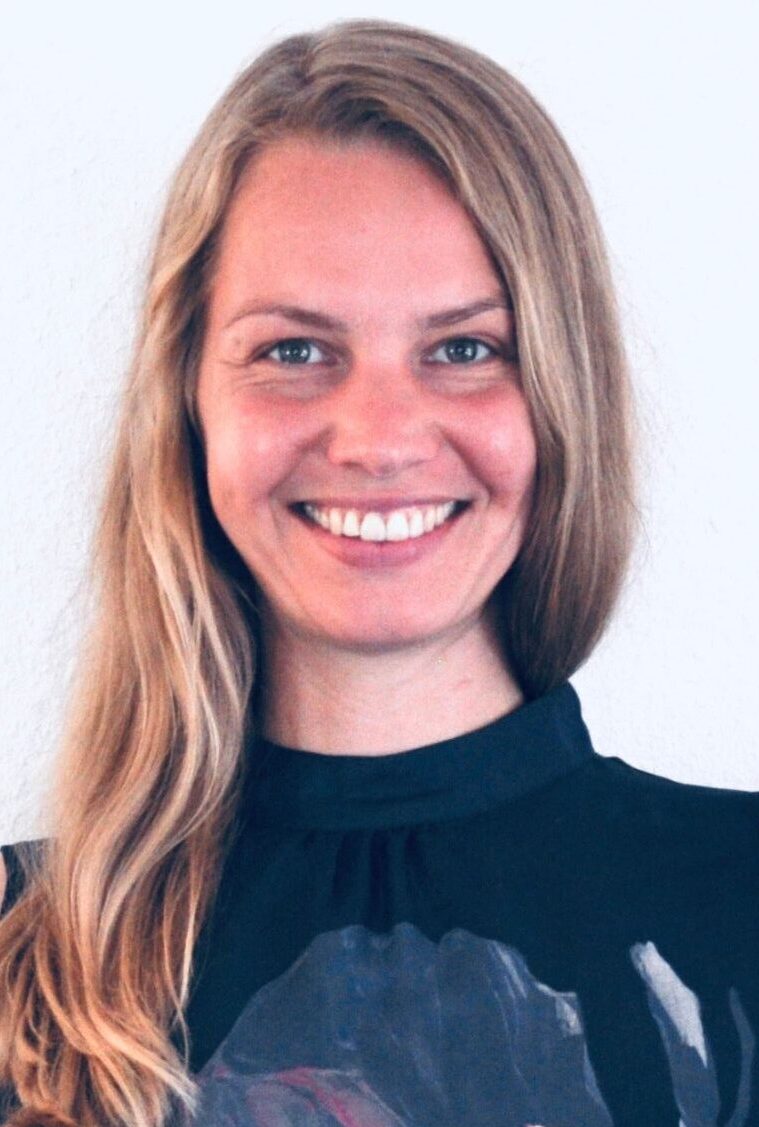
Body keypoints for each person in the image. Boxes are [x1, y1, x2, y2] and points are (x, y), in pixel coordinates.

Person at [0, 18, 756, 1127]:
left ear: (564, 393)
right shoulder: (23, 956)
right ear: (187, 402)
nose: (379, 437)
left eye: (464, 348)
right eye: (294, 350)